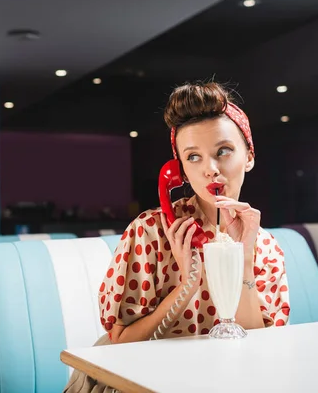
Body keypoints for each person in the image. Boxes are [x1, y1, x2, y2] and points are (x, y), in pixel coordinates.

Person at [64, 81, 290, 392]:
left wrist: (245, 259)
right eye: (193, 157)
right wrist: (185, 286)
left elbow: (256, 347)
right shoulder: (150, 232)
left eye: (223, 151)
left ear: (249, 156)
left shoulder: (264, 246)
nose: (210, 169)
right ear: (179, 170)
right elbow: (119, 343)